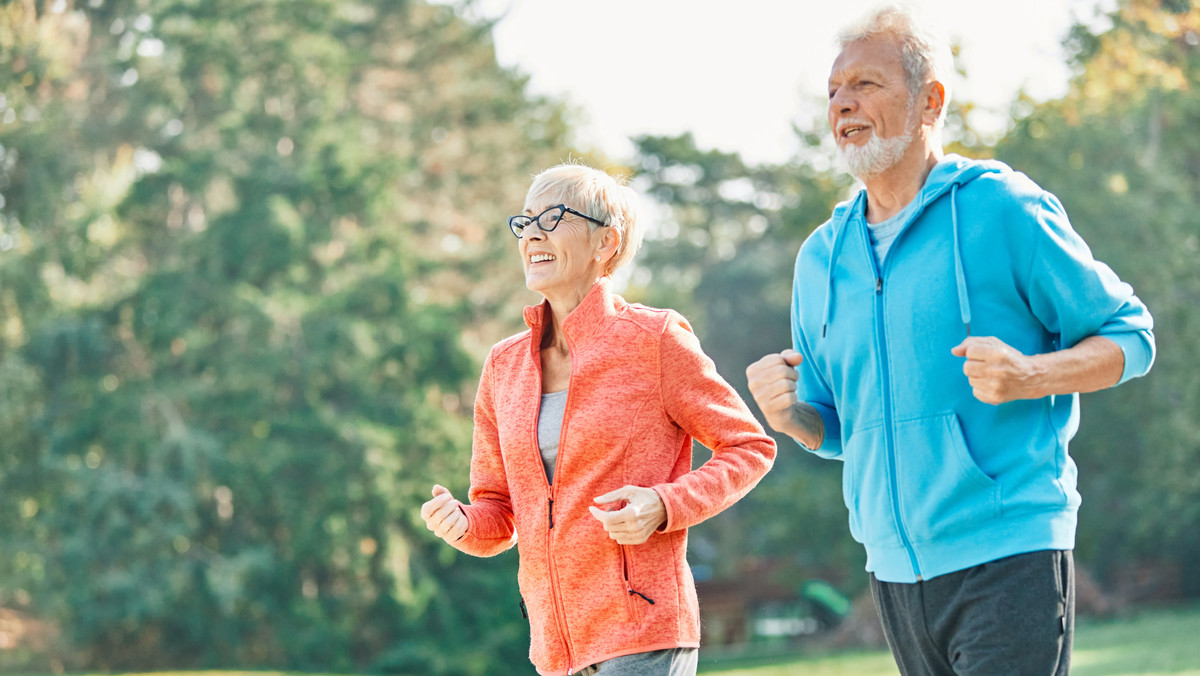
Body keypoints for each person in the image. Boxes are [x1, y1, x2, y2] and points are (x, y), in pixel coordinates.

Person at [746, 6, 1154, 675]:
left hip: (1010, 551)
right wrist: (791, 418)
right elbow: (841, 427)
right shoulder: (822, 258)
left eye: (865, 85)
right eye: (833, 91)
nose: (842, 104)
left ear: (930, 99)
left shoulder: (1003, 208)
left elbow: (1130, 336)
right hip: (895, 573)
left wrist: (1033, 375)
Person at [420, 162, 776, 676]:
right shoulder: (504, 366)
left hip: (643, 632)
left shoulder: (655, 341)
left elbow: (749, 448)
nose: (532, 234)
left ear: (605, 242)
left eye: (552, 217)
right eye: (525, 221)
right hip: (554, 649)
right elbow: (498, 514)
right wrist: (460, 524)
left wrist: (663, 503)